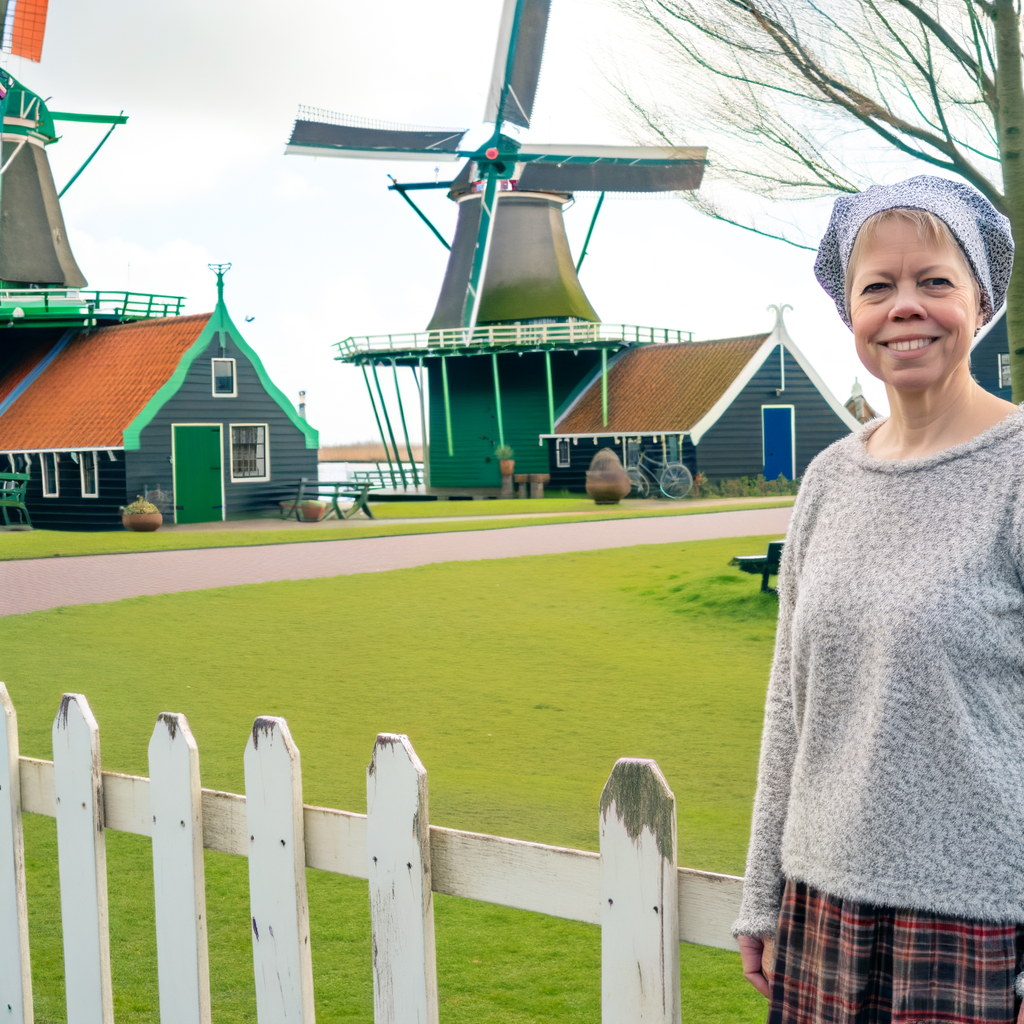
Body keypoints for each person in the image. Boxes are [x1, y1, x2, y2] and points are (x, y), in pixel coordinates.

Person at [733, 175, 1024, 1024]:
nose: (907, 307)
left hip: (980, 926)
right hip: (822, 912)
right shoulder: (828, 479)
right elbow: (791, 705)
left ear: (981, 300)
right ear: (849, 313)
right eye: (878, 287)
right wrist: (764, 893)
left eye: (934, 281)